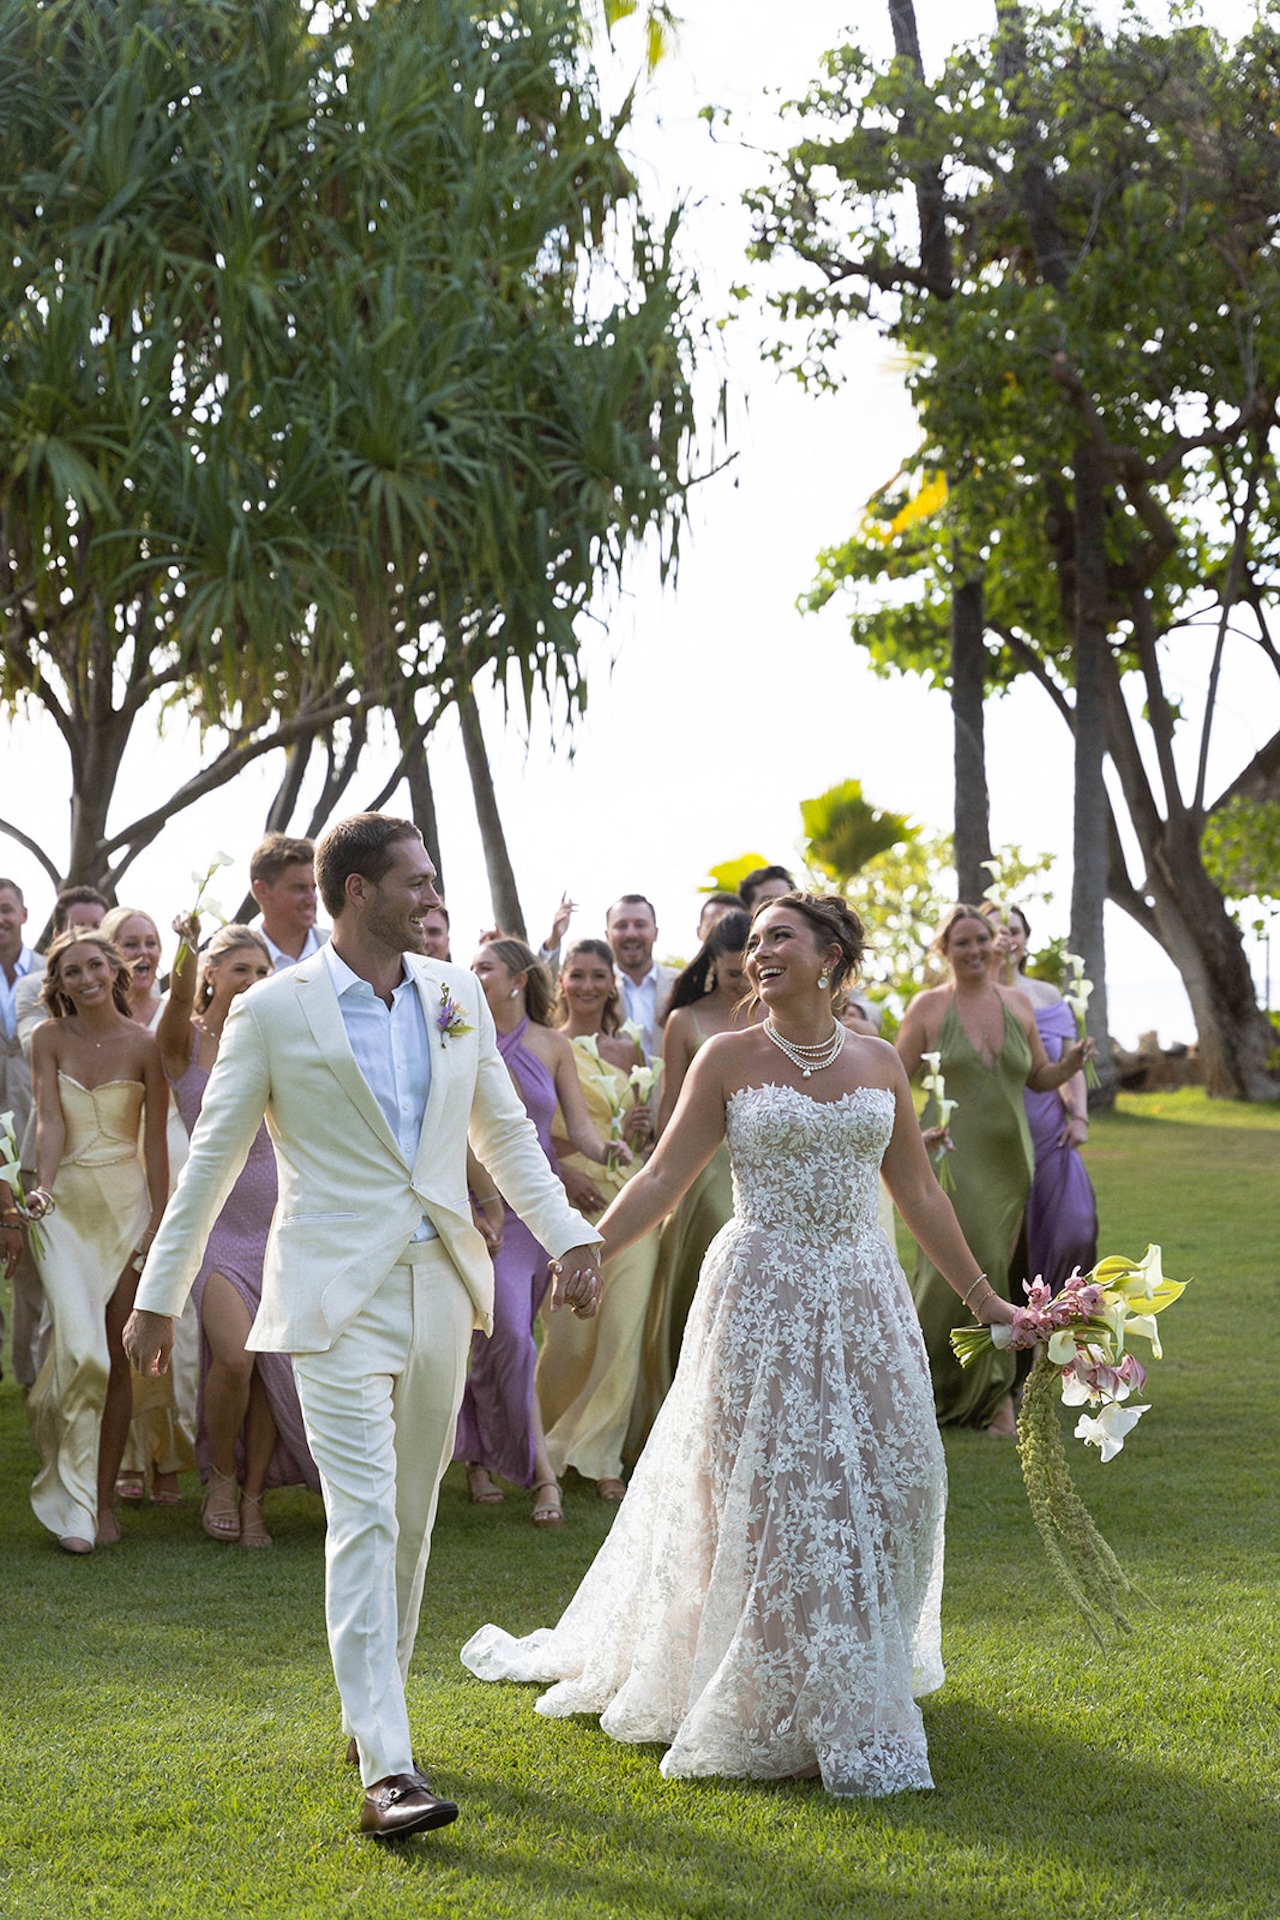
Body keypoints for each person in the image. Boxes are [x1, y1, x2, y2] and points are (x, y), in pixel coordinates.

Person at [462, 893, 1016, 1797]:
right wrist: (590, 1246)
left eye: (779, 939)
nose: (758, 954)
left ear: (832, 955)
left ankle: (855, 1659)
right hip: (759, 1293)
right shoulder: (726, 1057)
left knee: (895, 1478)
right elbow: (664, 1179)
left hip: (863, 1292)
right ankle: (768, 1688)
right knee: (761, 1491)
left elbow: (919, 1192)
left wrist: (986, 1299)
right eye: (751, 942)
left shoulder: (879, 1063)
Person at [124, 813, 603, 1839]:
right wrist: (160, 1295)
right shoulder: (271, 1012)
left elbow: (506, 1137)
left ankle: (368, 1700)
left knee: (413, 1512)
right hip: (332, 1288)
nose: (433, 898)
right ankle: (389, 1769)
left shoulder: (453, 994)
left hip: (438, 1280)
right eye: (416, 883)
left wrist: (568, 1237)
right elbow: (209, 1163)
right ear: (355, 893)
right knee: (363, 1515)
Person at [895, 904, 1092, 1435]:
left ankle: (991, 1398)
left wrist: (1070, 1068)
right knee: (943, 1278)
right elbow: (891, 1080)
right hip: (953, 1161)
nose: (976, 949)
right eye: (962, 942)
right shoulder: (929, 1008)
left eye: (982, 939)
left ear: (996, 943)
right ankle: (922, 1387)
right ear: (944, 950)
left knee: (994, 1272)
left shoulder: (1020, 1003)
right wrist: (914, 1136)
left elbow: (1038, 1078)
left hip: (1010, 1164)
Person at [155, 921, 319, 1547]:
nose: (253, 980)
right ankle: (219, 1473)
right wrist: (186, 947)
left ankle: (252, 1497)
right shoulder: (183, 1043)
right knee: (235, 1356)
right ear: (212, 976)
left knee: (272, 1366)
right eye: (240, 970)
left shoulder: (280, 1037)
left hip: (280, 1223)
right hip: (217, 1228)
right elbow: (173, 1006)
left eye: (261, 971)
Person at [457, 937, 620, 1525]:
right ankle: (537, 1473)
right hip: (478, 1202)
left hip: (538, 1206)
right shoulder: (459, 1033)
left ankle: (484, 1458)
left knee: (519, 1335)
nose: (472, 975)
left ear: (519, 979)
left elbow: (577, 1127)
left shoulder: (553, 1045)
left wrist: (609, 1148)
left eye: (484, 967)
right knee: (503, 1331)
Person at [25, 931, 169, 1551]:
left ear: (114, 971)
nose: (84, 978)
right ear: (57, 985)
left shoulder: (145, 1045)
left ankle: (96, 1505)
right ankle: (66, 1488)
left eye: (94, 965)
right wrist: (43, 1188)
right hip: (64, 1214)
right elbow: (51, 1121)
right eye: (71, 972)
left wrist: (163, 1221)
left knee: (111, 1362)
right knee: (80, 1355)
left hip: (127, 1210)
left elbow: (157, 1141)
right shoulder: (47, 1039)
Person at [535, 938, 660, 1500]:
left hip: (627, 1191)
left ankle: (601, 1453)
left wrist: (637, 1131)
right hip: (565, 1195)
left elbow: (645, 1137)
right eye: (576, 975)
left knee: (623, 1327)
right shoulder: (543, 1046)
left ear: (612, 984)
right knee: (570, 1335)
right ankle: (541, 1439)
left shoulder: (629, 1050)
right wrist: (564, 1173)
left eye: (597, 976)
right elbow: (525, 1130)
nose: (586, 986)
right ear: (560, 981)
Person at [627, 909, 752, 1447]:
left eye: (750, 971)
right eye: (731, 975)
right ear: (713, 966)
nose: (744, 984)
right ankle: (691, 1415)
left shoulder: (779, 1021)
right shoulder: (684, 1021)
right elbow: (671, 1111)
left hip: (760, 1164)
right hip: (702, 1171)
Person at [100, 904, 195, 1503]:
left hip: (174, 1158)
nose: (143, 953)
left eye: (152, 942)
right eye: (130, 943)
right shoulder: (96, 1019)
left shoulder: (170, 1014)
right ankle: (132, 1454)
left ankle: (170, 1457)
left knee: (169, 1312)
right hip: (113, 1166)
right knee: (124, 1310)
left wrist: (189, 954)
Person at [9, 886, 109, 1389]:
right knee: (33, 1285)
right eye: (75, 926)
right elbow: (31, 1039)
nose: (84, 936)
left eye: (97, 927)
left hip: (109, 1166)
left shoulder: (120, 991)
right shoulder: (36, 991)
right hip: (38, 1149)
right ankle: (33, 1381)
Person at [984, 904, 1098, 1295]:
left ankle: (1063, 1324)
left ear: (1026, 939)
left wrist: (1079, 1116)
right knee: (1009, 1252)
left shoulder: (1048, 995)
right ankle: (1016, 1337)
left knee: (1074, 1230)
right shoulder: (974, 998)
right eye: (997, 932)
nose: (1007, 938)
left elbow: (1068, 1065)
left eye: (1014, 930)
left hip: (1050, 1135)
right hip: (997, 1143)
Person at [605, 894, 678, 1063]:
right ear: (607, 935)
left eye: (640, 925)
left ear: (656, 932)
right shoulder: (594, 989)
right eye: (621, 926)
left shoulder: (679, 984)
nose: (631, 934)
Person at [248, 833, 328, 970]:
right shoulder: (233, 962)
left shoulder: (345, 954)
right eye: (299, 888)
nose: (312, 899)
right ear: (261, 890)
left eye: (314, 888)